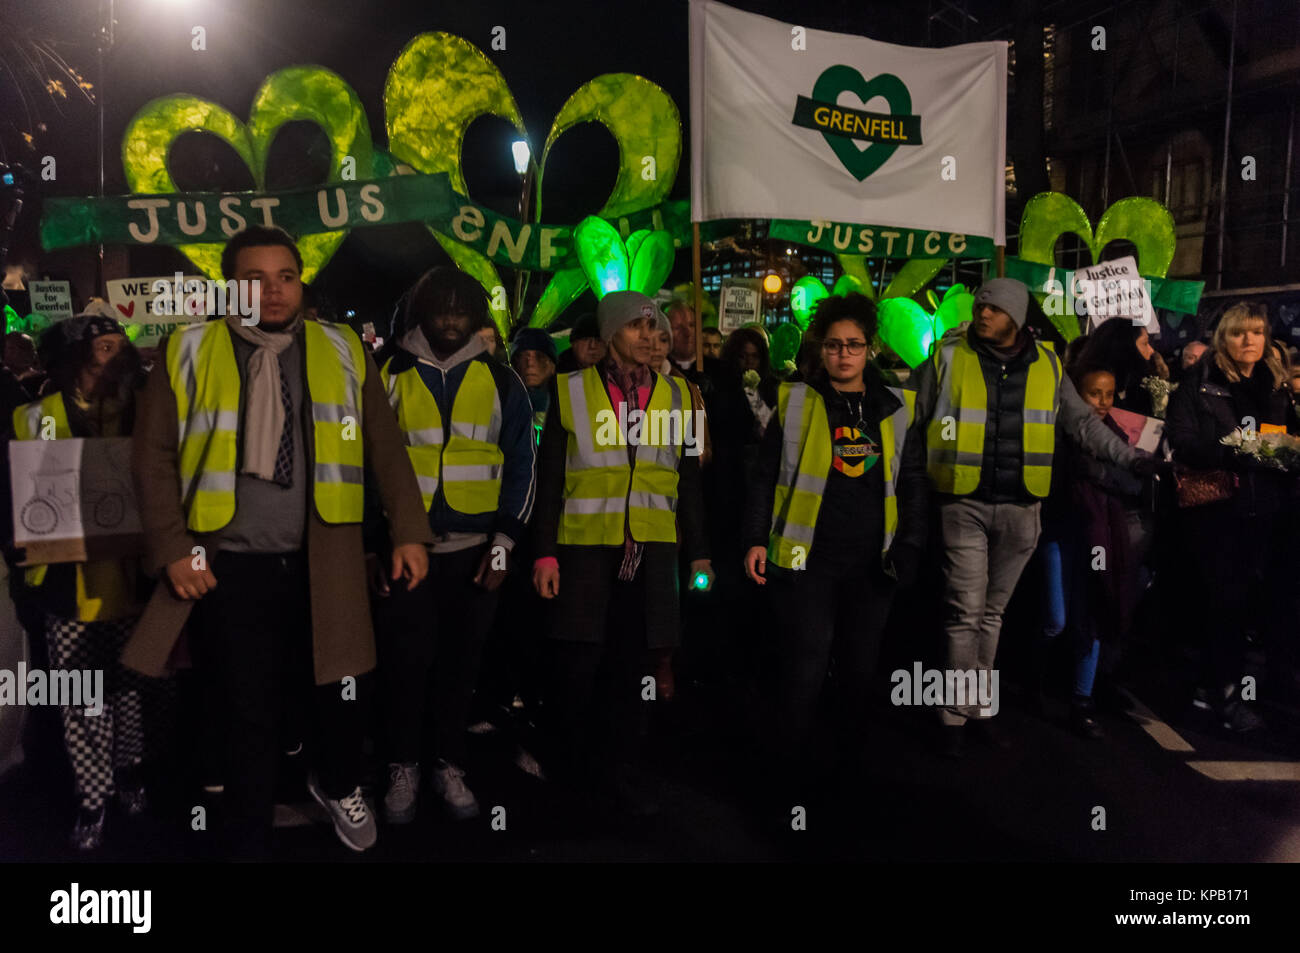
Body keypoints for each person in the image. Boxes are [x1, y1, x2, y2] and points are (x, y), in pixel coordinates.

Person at [124, 225, 431, 859]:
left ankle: (340, 783)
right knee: (245, 708)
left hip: (329, 561)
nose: (273, 292)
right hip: (226, 567)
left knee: (341, 688)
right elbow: (151, 457)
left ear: (301, 283)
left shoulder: (343, 348)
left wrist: (408, 532)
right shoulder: (187, 349)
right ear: (228, 287)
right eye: (254, 279)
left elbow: (385, 447)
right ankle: (247, 828)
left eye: (286, 277)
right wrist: (173, 550)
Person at [912, 278, 1154, 757]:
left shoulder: (1047, 363)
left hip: (1024, 508)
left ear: (1017, 317)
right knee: (966, 611)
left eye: (995, 308)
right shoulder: (948, 357)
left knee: (992, 614)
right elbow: (914, 419)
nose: (983, 313)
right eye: (980, 305)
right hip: (963, 500)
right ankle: (955, 716)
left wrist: (1130, 459)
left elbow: (1081, 425)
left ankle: (975, 710)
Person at [530, 290, 711, 815]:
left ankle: (616, 774)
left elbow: (687, 482)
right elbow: (549, 482)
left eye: (654, 328)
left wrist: (698, 553)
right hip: (584, 549)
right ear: (611, 334)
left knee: (631, 672)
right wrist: (544, 555)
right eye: (636, 327)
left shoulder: (677, 396)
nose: (649, 337)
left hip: (649, 553)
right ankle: (571, 771)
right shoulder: (569, 391)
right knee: (576, 668)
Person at [368, 265, 536, 824]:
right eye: (439, 308)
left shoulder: (502, 380)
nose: (449, 319)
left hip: (476, 553)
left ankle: (448, 762)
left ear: (475, 317)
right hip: (405, 553)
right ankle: (401, 765)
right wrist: (375, 545)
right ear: (421, 310)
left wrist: (504, 543)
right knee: (403, 666)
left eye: (460, 310)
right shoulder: (387, 372)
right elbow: (363, 467)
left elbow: (521, 467)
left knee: (460, 669)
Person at [742, 293, 926, 789]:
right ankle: (788, 778)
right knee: (804, 668)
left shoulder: (898, 407)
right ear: (819, 349)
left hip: (873, 565)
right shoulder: (795, 399)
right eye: (832, 345)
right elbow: (763, 476)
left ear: (870, 348)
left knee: (859, 675)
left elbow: (911, 483)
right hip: (808, 563)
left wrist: (909, 546)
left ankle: (847, 776)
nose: (843, 354)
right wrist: (755, 538)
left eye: (853, 345)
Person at [7, 314, 164, 850]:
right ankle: (92, 798)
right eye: (102, 347)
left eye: (119, 346)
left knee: (133, 694)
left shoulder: (146, 414)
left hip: (134, 583)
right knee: (82, 700)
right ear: (73, 358)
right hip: (67, 586)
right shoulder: (35, 418)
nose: (114, 356)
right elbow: (17, 505)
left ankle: (131, 778)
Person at [1164, 302, 1298, 730]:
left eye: (1257, 333)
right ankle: (1221, 694)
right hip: (1218, 509)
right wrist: (1233, 450)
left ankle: (1234, 686)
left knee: (1251, 607)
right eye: (1241, 333)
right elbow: (1182, 441)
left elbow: (1286, 438)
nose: (1250, 341)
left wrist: (1287, 451)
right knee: (1226, 603)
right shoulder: (1200, 383)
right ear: (1225, 337)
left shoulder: (1274, 385)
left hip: (1268, 509)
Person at [1039, 363, 1152, 739]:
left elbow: (1135, 483)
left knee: (1094, 614)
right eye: (1093, 394)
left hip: (1100, 537)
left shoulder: (1119, 435)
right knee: (1056, 619)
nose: (1102, 402)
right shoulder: (1056, 435)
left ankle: (1081, 701)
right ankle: (1037, 675)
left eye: (1108, 393)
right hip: (1061, 533)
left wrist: (1104, 475)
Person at [1077, 319, 1170, 417]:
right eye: (1145, 343)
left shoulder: (1139, 388)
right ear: (1125, 347)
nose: (1151, 350)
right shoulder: (1088, 384)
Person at [512, 327, 558, 440]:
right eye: (523, 356)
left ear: (552, 366)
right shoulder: (502, 405)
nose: (530, 363)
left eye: (539, 356)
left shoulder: (569, 405)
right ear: (515, 365)